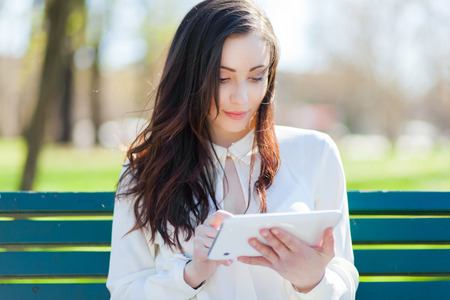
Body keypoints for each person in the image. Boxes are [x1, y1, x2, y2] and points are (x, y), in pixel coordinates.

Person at [106, 0, 359, 299]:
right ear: (190, 77)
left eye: (256, 77)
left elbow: (343, 279)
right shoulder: (145, 170)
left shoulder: (316, 153)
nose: (241, 97)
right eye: (222, 78)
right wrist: (191, 274)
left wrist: (312, 281)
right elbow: (125, 290)